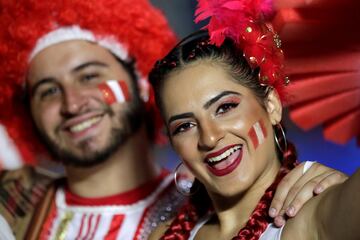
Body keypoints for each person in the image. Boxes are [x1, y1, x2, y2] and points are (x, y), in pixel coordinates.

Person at [0, 0, 347, 239]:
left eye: (90, 76)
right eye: (47, 91)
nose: (72, 103)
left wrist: (340, 195)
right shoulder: (16, 199)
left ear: (138, 80)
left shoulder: (206, 198)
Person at [148, 0, 358, 239]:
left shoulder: (314, 215)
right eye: (185, 126)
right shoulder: (164, 235)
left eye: (225, 107)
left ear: (271, 105)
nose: (210, 137)